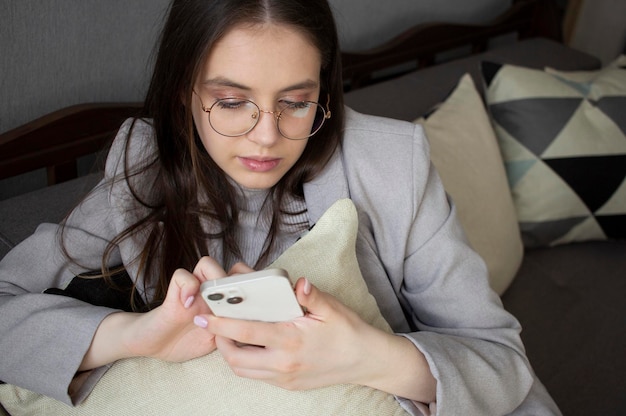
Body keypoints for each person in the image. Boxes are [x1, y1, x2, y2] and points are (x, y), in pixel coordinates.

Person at [0, 0, 561, 414]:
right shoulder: (145, 165)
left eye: (296, 102)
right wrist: (134, 334)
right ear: (184, 95)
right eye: (231, 101)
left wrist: (370, 357)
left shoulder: (393, 163)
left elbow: (501, 361)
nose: (266, 136)